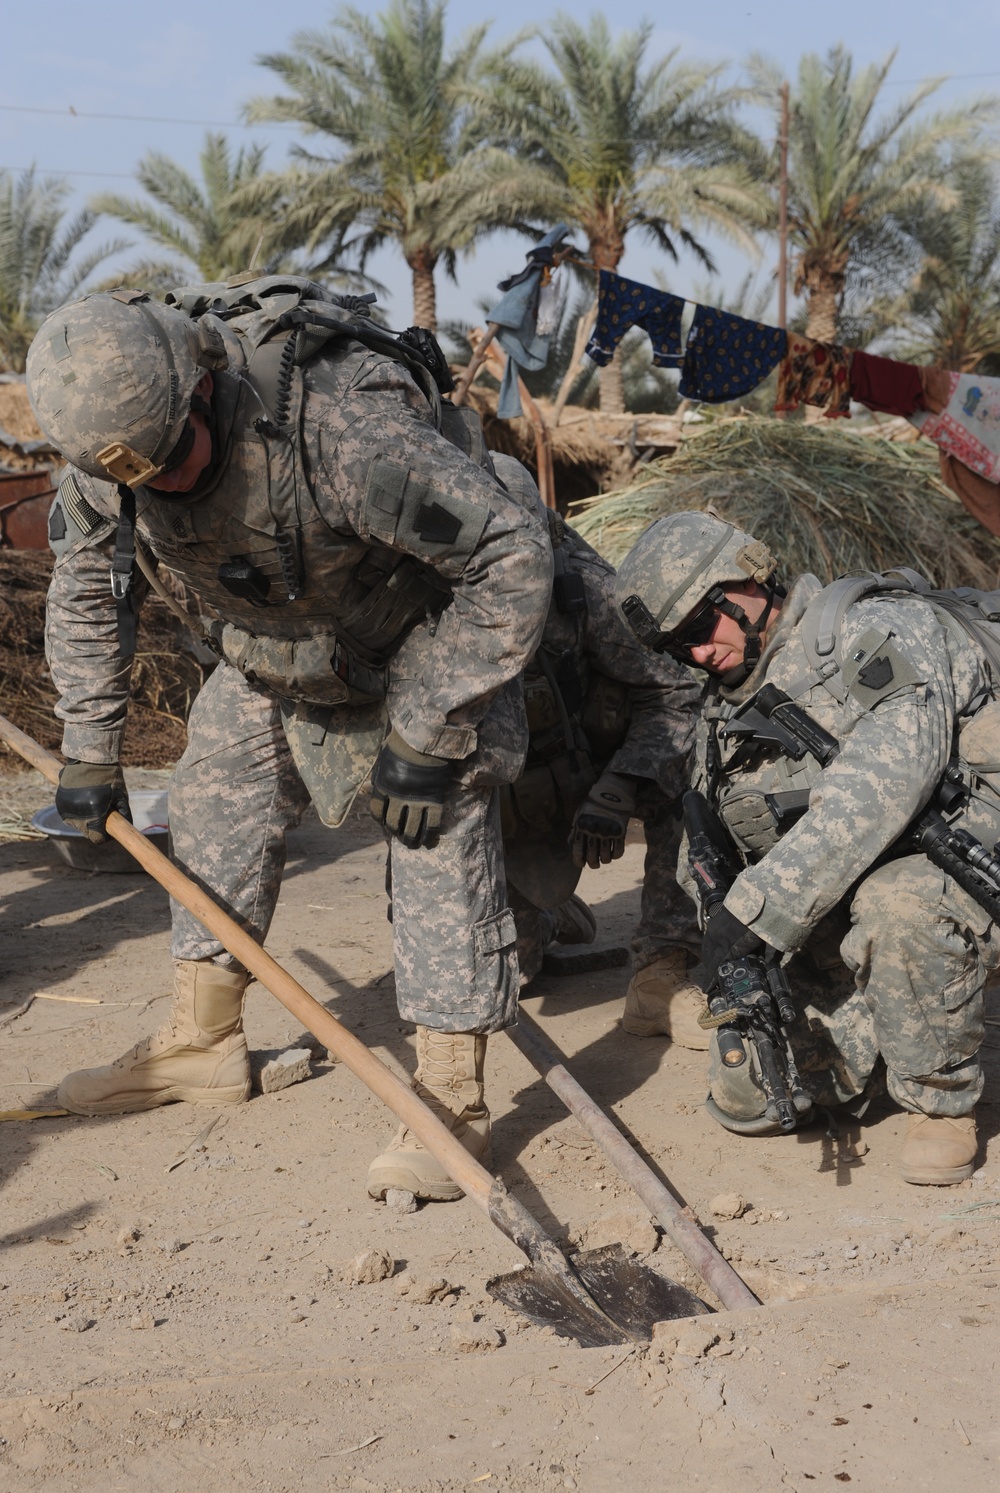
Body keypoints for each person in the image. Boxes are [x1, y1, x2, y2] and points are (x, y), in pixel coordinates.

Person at [26, 278, 552, 1204]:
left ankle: (452, 1094)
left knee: (431, 817)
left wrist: (431, 728)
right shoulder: (108, 458)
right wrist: (88, 745)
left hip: (416, 641)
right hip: (275, 648)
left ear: (201, 384)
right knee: (214, 786)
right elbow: (85, 587)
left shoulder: (341, 432)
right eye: (138, 477)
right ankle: (205, 1040)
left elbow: (510, 551)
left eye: (176, 458)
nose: (165, 486)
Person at [614, 510, 1000, 1185]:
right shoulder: (722, 710)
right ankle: (889, 1021)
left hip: (965, 851)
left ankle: (939, 1102)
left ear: (749, 578)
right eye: (680, 646)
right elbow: (717, 844)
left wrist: (758, 912)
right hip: (836, 886)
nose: (700, 652)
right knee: (752, 1099)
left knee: (898, 901)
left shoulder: (872, 628)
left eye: (704, 625)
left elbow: (886, 780)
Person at [496, 499, 705, 1040]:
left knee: (695, 764)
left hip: (595, 769)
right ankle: (542, 916)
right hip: (507, 801)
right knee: (510, 975)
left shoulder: (586, 593)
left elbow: (678, 691)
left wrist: (621, 784)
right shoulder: (414, 600)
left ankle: (664, 968)